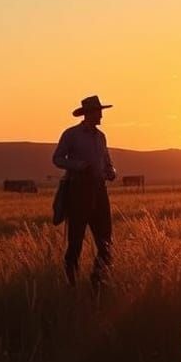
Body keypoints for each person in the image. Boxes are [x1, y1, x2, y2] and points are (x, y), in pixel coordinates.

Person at [52, 95, 116, 291]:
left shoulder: (101, 137)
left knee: (106, 241)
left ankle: (97, 281)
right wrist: (80, 166)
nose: (101, 116)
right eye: (98, 112)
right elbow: (57, 158)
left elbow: (108, 162)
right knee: (75, 242)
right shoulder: (71, 135)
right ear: (89, 114)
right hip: (78, 190)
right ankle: (71, 284)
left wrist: (111, 172)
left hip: (99, 190)